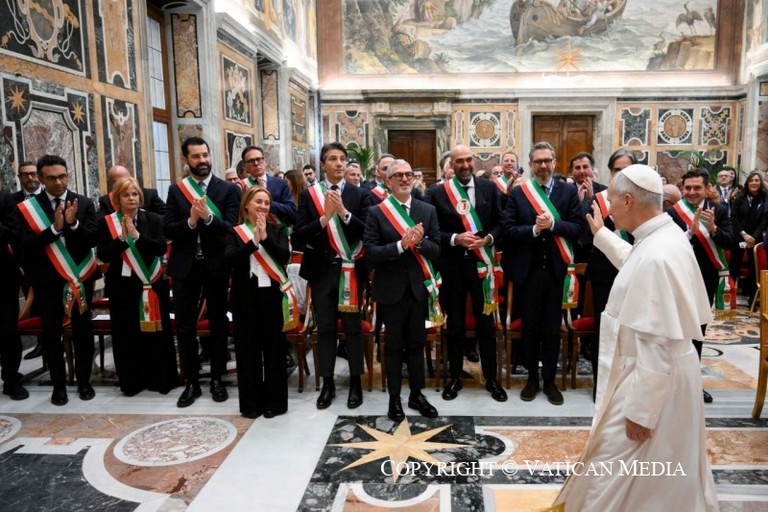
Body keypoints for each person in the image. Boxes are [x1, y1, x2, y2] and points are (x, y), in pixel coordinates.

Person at [554, 164, 718, 512]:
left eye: (611, 200)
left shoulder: (657, 254)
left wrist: (641, 412)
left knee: (614, 463)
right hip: (661, 375)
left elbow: (657, 341)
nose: (608, 207)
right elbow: (634, 260)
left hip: (651, 381)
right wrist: (602, 235)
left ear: (628, 201)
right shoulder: (663, 236)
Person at [503, 142, 584, 405]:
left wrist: (553, 225)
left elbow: (578, 228)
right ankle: (532, 379)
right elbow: (509, 231)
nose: (543, 166)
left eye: (547, 161)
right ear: (531, 164)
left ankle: (550, 380)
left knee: (551, 329)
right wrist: (535, 230)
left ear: (555, 162)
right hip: (528, 273)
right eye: (537, 161)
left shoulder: (568, 191)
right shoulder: (519, 193)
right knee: (530, 329)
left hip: (557, 273)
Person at [163, 136, 241, 407]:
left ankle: (218, 378)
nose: (202, 160)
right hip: (185, 268)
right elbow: (168, 229)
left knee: (219, 324)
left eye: (205, 155)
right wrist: (191, 221)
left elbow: (231, 228)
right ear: (186, 159)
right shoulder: (176, 191)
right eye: (196, 156)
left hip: (216, 266)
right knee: (185, 326)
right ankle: (192, 381)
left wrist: (208, 218)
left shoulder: (227, 190)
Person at [293, 142, 371, 410]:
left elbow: (367, 232)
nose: (339, 163)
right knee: (324, 328)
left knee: (352, 328)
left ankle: (356, 382)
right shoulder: (309, 195)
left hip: (350, 270)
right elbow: (299, 234)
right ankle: (326, 382)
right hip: (322, 271)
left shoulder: (361, 195)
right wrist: (324, 219)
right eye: (333, 159)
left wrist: (344, 214)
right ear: (323, 164)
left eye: (343, 159)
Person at [17, 155, 100, 405]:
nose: (58, 182)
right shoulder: (29, 208)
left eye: (62, 176)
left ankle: (84, 382)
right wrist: (53, 230)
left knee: (83, 333)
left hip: (79, 281)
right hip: (47, 282)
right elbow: (24, 247)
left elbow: (93, 238)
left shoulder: (83, 203)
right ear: (41, 179)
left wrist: (73, 224)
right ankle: (59, 387)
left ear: (68, 175)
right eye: (51, 178)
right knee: (51, 336)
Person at [364, 159, 441, 422]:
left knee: (417, 345)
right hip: (391, 291)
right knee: (394, 346)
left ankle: (417, 394)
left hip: (418, 290)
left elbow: (437, 249)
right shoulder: (376, 212)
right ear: (388, 181)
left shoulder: (427, 210)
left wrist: (419, 244)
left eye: (409, 174)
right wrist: (399, 245)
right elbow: (370, 254)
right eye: (399, 176)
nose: (405, 179)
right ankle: (394, 398)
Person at [429, 144, 507, 403]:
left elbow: (501, 223)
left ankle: (492, 378)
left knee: (487, 324)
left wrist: (488, 239)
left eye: (468, 160)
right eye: (459, 161)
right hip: (452, 267)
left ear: (474, 162)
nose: (464, 165)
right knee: (455, 325)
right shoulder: (438, 193)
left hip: (482, 265)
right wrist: (453, 238)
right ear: (450, 164)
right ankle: (454, 377)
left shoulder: (489, 188)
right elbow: (432, 231)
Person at [96, 177, 178, 396]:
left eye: (134, 194)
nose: (131, 198)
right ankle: (132, 381)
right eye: (126, 195)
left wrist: (137, 237)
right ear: (117, 199)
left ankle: (160, 379)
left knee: (155, 332)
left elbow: (160, 248)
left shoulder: (153, 219)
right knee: (126, 333)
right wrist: (122, 239)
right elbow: (102, 254)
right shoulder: (107, 222)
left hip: (151, 284)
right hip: (122, 286)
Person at [666, 168, 735, 404]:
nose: (692, 192)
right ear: (682, 189)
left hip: (705, 279)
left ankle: (692, 383)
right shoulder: (673, 213)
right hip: (677, 278)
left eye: (697, 188)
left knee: (697, 331)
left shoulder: (721, 210)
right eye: (688, 188)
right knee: (674, 331)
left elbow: (730, 242)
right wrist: (689, 232)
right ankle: (671, 381)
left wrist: (714, 229)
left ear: (707, 188)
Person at [225, 186, 292, 419]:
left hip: (272, 297)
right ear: (246, 205)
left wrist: (265, 239)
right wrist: (252, 243)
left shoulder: (278, 229)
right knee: (247, 351)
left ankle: (275, 402)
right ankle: (251, 403)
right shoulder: (235, 232)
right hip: (245, 297)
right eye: (258, 202)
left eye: (266, 202)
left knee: (274, 350)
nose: (263, 206)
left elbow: (284, 257)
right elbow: (229, 260)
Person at [584, 148, 637, 398]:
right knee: (604, 330)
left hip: (637, 272)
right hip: (605, 273)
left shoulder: (645, 200)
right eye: (617, 170)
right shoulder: (598, 199)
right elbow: (584, 237)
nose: (622, 174)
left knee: (633, 331)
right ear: (610, 172)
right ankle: (601, 384)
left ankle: (628, 384)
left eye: (627, 169)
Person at [12, 160, 45, 361]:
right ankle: (42, 344)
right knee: (35, 306)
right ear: (20, 177)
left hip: (54, 262)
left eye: (33, 174)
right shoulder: (12, 200)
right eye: (25, 174)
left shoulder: (48, 198)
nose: (30, 178)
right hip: (26, 264)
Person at [0, 189, 28, 400]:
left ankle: (11, 379)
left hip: (3, 275)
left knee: (8, 330)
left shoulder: (3, 198)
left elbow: (13, 232)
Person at [728, 170, 767, 300]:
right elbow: (733, 218)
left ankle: (752, 300)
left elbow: (764, 220)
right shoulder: (740, 197)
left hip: (755, 240)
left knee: (753, 270)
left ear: (760, 183)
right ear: (747, 183)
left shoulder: (765, 198)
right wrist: (744, 235)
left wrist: (753, 237)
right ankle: (729, 300)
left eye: (756, 180)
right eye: (751, 180)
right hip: (739, 237)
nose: (754, 183)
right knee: (734, 268)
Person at [240, 146, 297, 226]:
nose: (256, 163)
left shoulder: (280, 184)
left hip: (277, 232)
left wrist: (267, 203)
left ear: (265, 162)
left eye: (259, 159)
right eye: (251, 161)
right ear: (245, 166)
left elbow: (292, 211)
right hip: (250, 231)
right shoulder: (241, 186)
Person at [98, 165, 166, 215]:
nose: (131, 198)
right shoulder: (106, 201)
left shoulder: (149, 195)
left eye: (134, 194)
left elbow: (167, 216)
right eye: (116, 181)